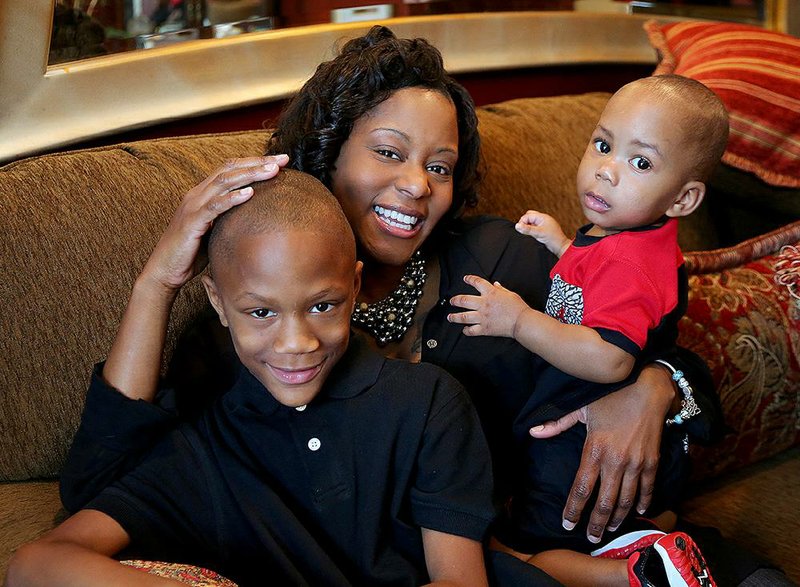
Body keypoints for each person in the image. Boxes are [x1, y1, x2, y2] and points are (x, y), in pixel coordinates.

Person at [56, 26, 783, 587]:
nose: (417, 186)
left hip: (591, 545)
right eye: (390, 152)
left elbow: (648, 321)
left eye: (439, 165)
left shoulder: (497, 261)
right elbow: (102, 487)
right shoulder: (260, 323)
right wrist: (156, 280)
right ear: (329, 150)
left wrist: (653, 388)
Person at [7, 171, 496, 586]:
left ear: (354, 285)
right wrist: (156, 283)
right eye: (261, 312)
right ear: (219, 303)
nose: (295, 342)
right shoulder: (206, 452)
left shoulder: (427, 402)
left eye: (322, 306)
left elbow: (460, 580)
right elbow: (35, 563)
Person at [448, 75, 729, 586]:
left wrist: (518, 320)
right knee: (639, 519)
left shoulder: (629, 262)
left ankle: (635, 576)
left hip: (578, 443)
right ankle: (658, 543)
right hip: (638, 451)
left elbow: (610, 357)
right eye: (603, 145)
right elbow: (594, 289)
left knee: (525, 551)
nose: (606, 169)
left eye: (640, 162)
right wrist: (563, 247)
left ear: (684, 199)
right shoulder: (629, 238)